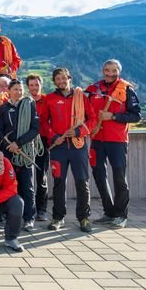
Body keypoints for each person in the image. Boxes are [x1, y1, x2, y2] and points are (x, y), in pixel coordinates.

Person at [86, 59, 141, 229]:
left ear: (119, 71)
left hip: (117, 140)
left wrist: (114, 117)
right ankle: (109, 212)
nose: (110, 73)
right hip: (97, 140)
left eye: (113, 70)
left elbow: (136, 116)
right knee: (99, 175)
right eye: (107, 70)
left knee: (119, 178)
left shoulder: (127, 90)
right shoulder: (93, 89)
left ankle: (121, 215)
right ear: (102, 70)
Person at [44, 68, 97, 232]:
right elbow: (44, 122)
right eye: (57, 79)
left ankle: (84, 218)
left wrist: (78, 131)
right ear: (54, 82)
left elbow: (93, 119)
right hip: (58, 148)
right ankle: (58, 218)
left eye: (63, 78)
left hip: (78, 146)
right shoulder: (50, 99)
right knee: (59, 183)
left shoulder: (81, 96)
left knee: (82, 182)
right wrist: (53, 137)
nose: (61, 81)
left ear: (69, 78)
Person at [0, 80, 41, 230]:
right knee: (8, 184)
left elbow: (35, 129)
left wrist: (19, 143)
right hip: (8, 152)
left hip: (25, 150)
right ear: (9, 90)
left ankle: (29, 218)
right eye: (15, 89)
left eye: (21, 89)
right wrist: (9, 145)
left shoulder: (30, 105)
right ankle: (7, 216)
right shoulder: (3, 108)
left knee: (27, 186)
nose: (19, 92)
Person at [26, 73, 51, 222]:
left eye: (37, 85)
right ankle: (28, 208)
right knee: (26, 178)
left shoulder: (48, 101)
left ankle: (41, 210)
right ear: (27, 87)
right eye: (31, 85)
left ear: (41, 85)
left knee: (41, 177)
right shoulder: (24, 101)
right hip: (27, 142)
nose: (34, 88)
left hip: (43, 141)